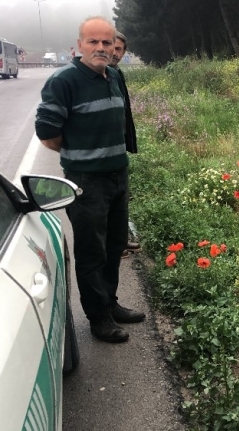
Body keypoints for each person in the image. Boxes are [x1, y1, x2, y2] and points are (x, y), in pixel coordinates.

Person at [35, 16, 145, 343]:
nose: (101, 48)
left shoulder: (114, 76)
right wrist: (82, 155)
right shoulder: (64, 81)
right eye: (93, 41)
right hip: (86, 181)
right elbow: (48, 134)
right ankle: (98, 319)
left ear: (115, 47)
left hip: (117, 175)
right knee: (91, 251)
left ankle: (110, 303)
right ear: (80, 44)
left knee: (114, 245)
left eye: (107, 42)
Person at [110, 30, 141, 259]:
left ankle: (120, 241)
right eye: (112, 47)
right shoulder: (103, 73)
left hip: (118, 144)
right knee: (110, 200)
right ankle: (113, 246)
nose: (115, 53)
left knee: (121, 197)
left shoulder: (117, 72)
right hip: (105, 149)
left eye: (119, 49)